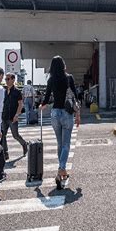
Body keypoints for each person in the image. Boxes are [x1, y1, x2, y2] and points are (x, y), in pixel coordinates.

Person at [40, 55, 80, 187]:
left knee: (60, 144)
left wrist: (42, 105)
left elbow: (46, 98)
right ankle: (60, 169)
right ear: (63, 65)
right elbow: (75, 97)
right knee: (66, 145)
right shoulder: (69, 78)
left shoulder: (51, 79)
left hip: (55, 113)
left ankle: (62, 170)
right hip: (67, 113)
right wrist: (78, 115)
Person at [2, 72, 28, 160]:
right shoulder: (3, 91)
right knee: (2, 135)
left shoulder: (17, 92)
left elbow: (20, 104)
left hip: (13, 117)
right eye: (6, 79)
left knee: (15, 135)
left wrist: (17, 115)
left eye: (8, 79)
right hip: (4, 116)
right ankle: (5, 153)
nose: (6, 81)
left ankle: (24, 144)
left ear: (13, 80)